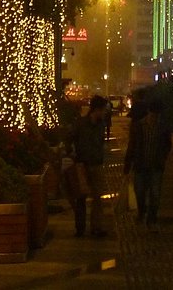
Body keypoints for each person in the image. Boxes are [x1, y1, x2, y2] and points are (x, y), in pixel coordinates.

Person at [123, 89, 172, 231]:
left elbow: (167, 145)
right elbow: (132, 145)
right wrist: (127, 165)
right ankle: (141, 211)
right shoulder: (139, 126)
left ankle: (152, 219)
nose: (154, 118)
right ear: (149, 113)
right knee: (140, 192)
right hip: (140, 165)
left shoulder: (162, 127)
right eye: (153, 115)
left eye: (157, 115)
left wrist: (162, 157)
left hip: (156, 166)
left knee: (155, 194)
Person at [69, 95, 110, 238]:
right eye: (103, 109)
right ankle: (80, 228)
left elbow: (100, 143)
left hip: (97, 164)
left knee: (97, 198)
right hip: (82, 164)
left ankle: (96, 228)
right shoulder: (80, 124)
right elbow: (70, 139)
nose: (105, 112)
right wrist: (73, 155)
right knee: (81, 198)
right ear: (96, 109)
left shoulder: (101, 124)